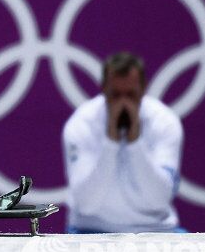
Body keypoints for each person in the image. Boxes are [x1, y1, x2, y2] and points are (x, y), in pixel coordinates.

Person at [62, 52, 184, 233]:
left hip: (155, 229)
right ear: (103, 89)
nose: (123, 104)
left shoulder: (165, 122)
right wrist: (111, 141)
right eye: (116, 95)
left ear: (143, 89)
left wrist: (135, 142)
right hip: (91, 230)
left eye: (131, 95)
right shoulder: (81, 124)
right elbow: (86, 204)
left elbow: (159, 199)